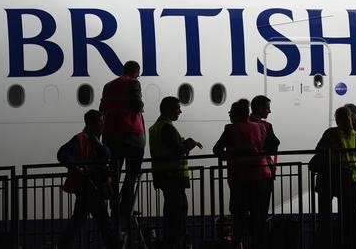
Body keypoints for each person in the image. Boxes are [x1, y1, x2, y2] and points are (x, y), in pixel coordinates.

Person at [213, 99, 271, 249]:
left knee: (239, 213)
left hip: (241, 177)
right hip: (261, 175)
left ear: (236, 114)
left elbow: (217, 149)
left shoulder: (230, 129)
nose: (230, 115)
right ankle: (258, 243)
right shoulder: (261, 127)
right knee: (257, 213)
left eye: (231, 113)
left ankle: (237, 242)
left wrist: (228, 155)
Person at [57, 110, 118, 249]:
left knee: (80, 219)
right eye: (100, 121)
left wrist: (76, 167)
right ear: (91, 123)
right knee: (103, 221)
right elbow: (63, 154)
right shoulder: (82, 139)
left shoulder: (87, 140)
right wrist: (79, 168)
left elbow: (63, 154)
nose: (103, 125)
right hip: (89, 186)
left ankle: (64, 244)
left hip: (87, 186)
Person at [149, 97, 202, 249]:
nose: (180, 111)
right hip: (173, 177)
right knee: (177, 216)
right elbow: (176, 151)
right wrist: (189, 143)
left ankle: (172, 243)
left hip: (164, 176)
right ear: (168, 109)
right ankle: (174, 244)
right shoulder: (167, 127)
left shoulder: (156, 127)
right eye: (177, 108)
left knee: (173, 213)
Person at [100, 60, 146, 232]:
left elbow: (102, 107)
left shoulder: (108, 86)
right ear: (135, 72)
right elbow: (136, 105)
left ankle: (114, 205)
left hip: (111, 135)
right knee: (132, 174)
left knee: (114, 172)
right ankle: (125, 206)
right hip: (132, 135)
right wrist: (141, 106)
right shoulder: (134, 83)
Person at [313, 106, 356, 249]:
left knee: (325, 212)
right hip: (350, 177)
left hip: (330, 176)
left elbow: (318, 149)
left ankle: (326, 241)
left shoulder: (331, 133)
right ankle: (346, 241)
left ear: (337, 118)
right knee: (347, 214)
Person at [250, 95, 281, 214]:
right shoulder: (266, 126)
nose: (270, 111)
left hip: (243, 173)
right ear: (259, 108)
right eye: (267, 107)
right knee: (262, 207)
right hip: (263, 171)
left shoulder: (242, 123)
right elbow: (274, 145)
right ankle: (260, 230)